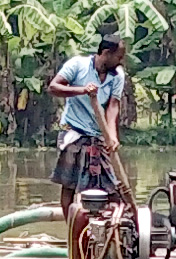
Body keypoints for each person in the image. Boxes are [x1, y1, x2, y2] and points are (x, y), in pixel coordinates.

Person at [47, 34, 127, 218]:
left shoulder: (117, 75)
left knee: (112, 188)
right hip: (74, 132)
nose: (120, 61)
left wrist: (112, 135)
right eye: (118, 57)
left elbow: (113, 106)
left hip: (98, 135)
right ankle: (71, 229)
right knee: (69, 186)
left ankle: (109, 226)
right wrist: (82, 90)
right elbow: (54, 87)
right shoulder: (78, 65)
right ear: (106, 53)